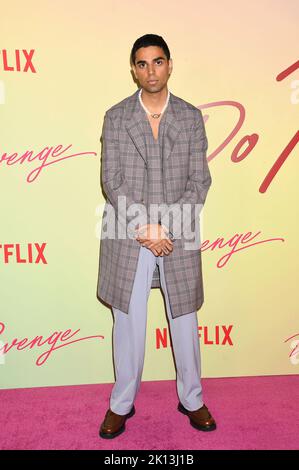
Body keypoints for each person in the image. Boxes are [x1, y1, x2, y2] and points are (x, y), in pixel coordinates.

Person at [97, 34, 216, 439]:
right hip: (128, 234)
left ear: (170, 64)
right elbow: (111, 179)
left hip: (177, 232)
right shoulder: (115, 117)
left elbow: (200, 181)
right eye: (142, 63)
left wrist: (165, 227)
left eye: (158, 62)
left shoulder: (190, 116)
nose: (151, 71)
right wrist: (144, 228)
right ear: (133, 68)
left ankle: (193, 398)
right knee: (127, 321)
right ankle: (121, 403)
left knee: (183, 319)